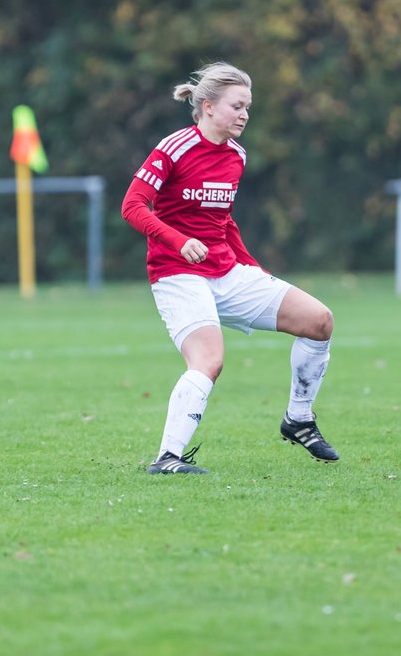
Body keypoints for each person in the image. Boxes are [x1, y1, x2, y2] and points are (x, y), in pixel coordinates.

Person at [121, 62, 338, 475]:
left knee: (319, 321)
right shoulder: (174, 147)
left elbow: (224, 221)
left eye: (248, 108)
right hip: (176, 272)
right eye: (237, 106)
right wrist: (179, 242)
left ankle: (299, 419)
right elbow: (132, 207)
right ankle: (167, 458)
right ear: (207, 106)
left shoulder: (236, 156)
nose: (244, 115)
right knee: (209, 361)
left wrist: (253, 268)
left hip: (227, 271)